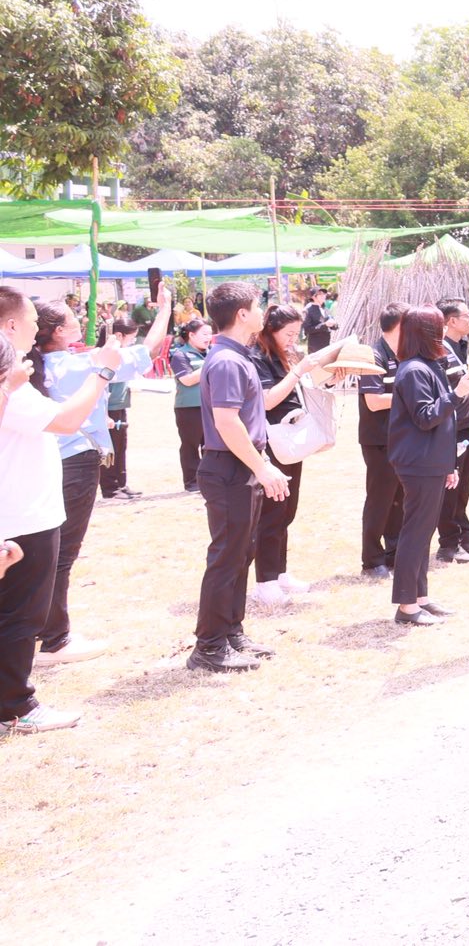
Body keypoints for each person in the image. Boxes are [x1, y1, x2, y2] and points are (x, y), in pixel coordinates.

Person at [1, 290, 122, 735]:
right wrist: (103, 371)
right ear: (11, 326)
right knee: (20, 615)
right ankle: (16, 706)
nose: (37, 328)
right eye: (32, 319)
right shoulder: (8, 382)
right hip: (22, 514)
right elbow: (68, 420)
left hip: (22, 508)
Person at [30, 285, 171, 665]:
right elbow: (148, 352)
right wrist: (164, 311)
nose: (81, 320)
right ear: (58, 331)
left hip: (50, 460)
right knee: (62, 552)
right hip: (75, 460)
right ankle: (54, 637)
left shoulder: (42, 367)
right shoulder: (80, 365)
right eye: (74, 317)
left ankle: (41, 631)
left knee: (46, 549)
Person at [189, 282, 293, 673]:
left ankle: (230, 632)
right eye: (258, 305)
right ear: (242, 314)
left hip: (237, 465)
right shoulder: (228, 361)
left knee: (240, 554)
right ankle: (210, 646)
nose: (263, 310)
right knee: (226, 557)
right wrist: (262, 467)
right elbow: (227, 422)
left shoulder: (234, 355)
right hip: (230, 466)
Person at [246, 304, 339, 607]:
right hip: (271, 439)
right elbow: (269, 401)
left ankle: (279, 571)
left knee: (286, 510)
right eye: (288, 334)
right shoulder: (257, 358)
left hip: (290, 438)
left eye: (296, 334)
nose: (292, 339)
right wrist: (298, 369)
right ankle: (265, 581)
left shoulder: (281, 356)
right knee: (272, 513)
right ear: (269, 330)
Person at [387, 306, 468, 626]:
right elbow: (425, 417)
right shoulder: (413, 371)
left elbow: (441, 423)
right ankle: (407, 606)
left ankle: (420, 596)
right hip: (417, 462)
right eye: (439, 327)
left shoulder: (430, 365)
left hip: (431, 461)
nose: (445, 332)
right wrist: (457, 394)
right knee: (415, 534)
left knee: (423, 534)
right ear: (428, 333)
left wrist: (448, 463)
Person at [434, 299, 469, 564]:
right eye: (466, 316)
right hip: (451, 430)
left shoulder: (464, 347)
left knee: (464, 487)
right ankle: (449, 544)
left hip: (467, 424)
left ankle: (465, 537)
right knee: (450, 489)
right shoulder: (440, 351)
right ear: (451, 321)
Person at [357, 306, 404, 579]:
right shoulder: (373, 356)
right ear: (398, 326)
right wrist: (410, 395)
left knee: (399, 498)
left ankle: (395, 553)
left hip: (400, 437)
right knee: (380, 499)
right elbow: (373, 402)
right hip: (378, 440)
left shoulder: (403, 354)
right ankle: (372, 560)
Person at [97, 316, 140, 501]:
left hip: (120, 406)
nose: (132, 342)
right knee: (110, 450)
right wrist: (104, 414)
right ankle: (110, 488)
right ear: (119, 335)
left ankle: (121, 483)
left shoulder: (121, 355)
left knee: (121, 447)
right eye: (132, 338)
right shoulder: (104, 356)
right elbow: (101, 389)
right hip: (109, 409)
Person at [169, 318, 212, 494]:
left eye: (210, 334)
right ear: (191, 335)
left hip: (210, 406)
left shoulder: (210, 353)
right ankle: (191, 482)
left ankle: (209, 479)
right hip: (188, 408)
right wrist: (210, 365)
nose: (208, 338)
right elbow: (186, 380)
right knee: (190, 445)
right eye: (204, 334)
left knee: (209, 445)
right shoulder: (180, 355)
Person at [302, 287, 331, 352]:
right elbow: (307, 329)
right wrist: (324, 325)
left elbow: (332, 324)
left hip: (327, 344)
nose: (323, 296)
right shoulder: (307, 310)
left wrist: (334, 324)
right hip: (315, 345)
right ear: (313, 297)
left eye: (324, 294)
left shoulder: (326, 309)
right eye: (320, 294)